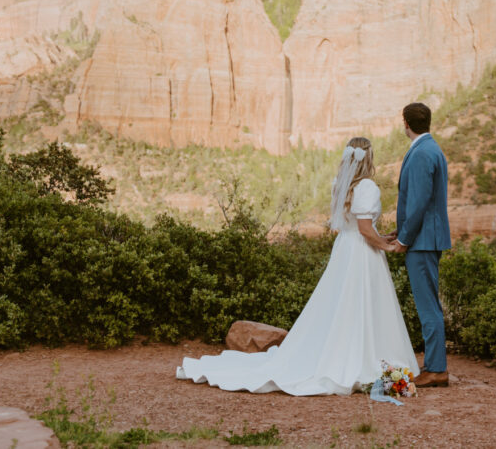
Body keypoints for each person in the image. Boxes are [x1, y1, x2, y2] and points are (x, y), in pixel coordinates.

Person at [176, 136, 418, 395]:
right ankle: (362, 358)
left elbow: (354, 227)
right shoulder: (367, 186)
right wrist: (387, 246)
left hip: (345, 250)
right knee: (363, 305)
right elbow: (364, 229)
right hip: (362, 254)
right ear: (367, 157)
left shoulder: (340, 183)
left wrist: (381, 236)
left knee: (340, 306)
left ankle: (343, 354)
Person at [386, 102, 452, 388]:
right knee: (428, 302)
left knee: (427, 306)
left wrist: (404, 238)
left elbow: (419, 201)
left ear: (406, 123)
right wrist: (399, 230)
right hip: (423, 236)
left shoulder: (424, 152)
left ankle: (437, 369)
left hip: (423, 240)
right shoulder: (428, 148)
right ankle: (434, 365)